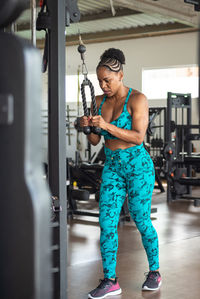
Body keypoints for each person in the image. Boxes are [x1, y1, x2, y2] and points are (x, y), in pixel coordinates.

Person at [80, 48, 161, 299]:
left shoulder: (138, 99)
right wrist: (87, 127)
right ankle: (110, 280)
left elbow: (137, 137)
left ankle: (155, 271)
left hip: (138, 167)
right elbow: (95, 141)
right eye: (100, 80)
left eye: (108, 80)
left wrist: (105, 125)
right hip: (113, 167)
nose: (103, 85)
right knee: (106, 223)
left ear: (121, 75)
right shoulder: (98, 102)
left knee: (140, 219)